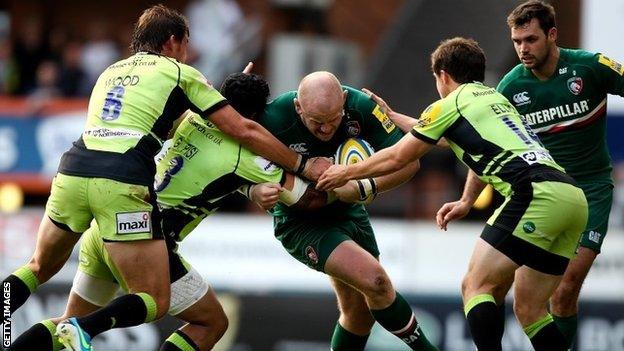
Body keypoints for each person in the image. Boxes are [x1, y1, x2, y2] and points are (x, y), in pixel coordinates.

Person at [1, 5, 328, 351]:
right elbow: (243, 130)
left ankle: (9, 332)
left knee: (38, 268)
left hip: (73, 172)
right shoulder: (180, 74)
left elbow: (174, 122)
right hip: (122, 192)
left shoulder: (110, 70)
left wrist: (225, 97)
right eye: (186, 45)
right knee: (160, 303)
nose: (187, 55)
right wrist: (309, 166)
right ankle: (86, 327)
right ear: (173, 41)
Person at [317, 37, 588, 351]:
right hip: (571, 197)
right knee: (530, 310)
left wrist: (345, 172)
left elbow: (398, 157)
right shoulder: (492, 98)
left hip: (534, 193)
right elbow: (451, 138)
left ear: (443, 75)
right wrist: (394, 117)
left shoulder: (451, 103)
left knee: (475, 285)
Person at [256, 71, 437, 351]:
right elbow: (233, 153)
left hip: (350, 211)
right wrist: (254, 190)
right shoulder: (273, 117)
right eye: (317, 123)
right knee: (376, 281)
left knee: (359, 315)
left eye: (334, 119)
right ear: (298, 108)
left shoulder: (361, 107)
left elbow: (410, 163)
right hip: (302, 223)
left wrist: (365, 188)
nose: (327, 129)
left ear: (343, 100)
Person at [497, 1, 624, 347]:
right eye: (517, 41)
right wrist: (466, 199)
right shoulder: (509, 89)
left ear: (552, 35)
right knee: (527, 304)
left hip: (591, 192)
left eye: (531, 39)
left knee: (565, 289)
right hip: (544, 197)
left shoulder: (590, 67)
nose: (523, 48)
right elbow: (484, 139)